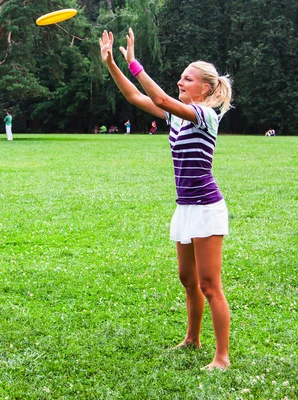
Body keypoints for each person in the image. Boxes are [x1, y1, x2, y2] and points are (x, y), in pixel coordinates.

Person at [100, 28, 233, 370]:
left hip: (207, 208)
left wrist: (134, 62)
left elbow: (158, 99)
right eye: (180, 78)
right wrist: (113, 63)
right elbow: (135, 97)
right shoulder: (177, 114)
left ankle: (222, 357)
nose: (180, 83)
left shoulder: (205, 116)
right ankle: (192, 339)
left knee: (209, 284)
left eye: (187, 79)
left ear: (205, 88)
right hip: (185, 207)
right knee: (187, 279)